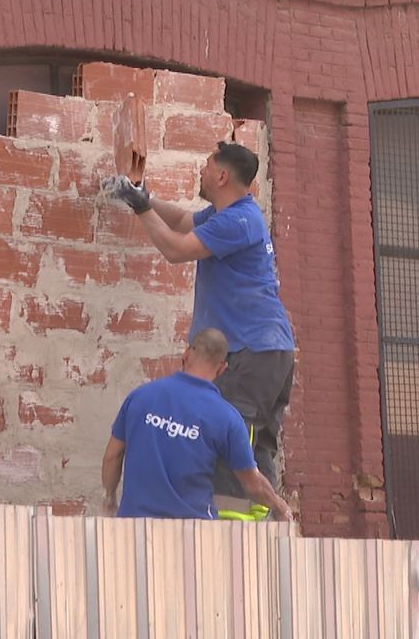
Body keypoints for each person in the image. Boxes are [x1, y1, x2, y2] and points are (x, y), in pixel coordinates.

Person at [106, 141, 295, 505]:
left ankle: (232, 529)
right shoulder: (229, 214)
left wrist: (140, 206)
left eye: (206, 165)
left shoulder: (237, 221)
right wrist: (141, 195)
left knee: (230, 448)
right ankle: (267, 524)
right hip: (265, 351)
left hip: (251, 352)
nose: (201, 171)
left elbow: (176, 249)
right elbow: (180, 221)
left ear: (222, 176)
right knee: (255, 449)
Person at [100, 328, 292, 520]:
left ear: (186, 354)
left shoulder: (140, 396)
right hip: (195, 529)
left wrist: (110, 498)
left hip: (135, 525)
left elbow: (112, 456)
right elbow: (253, 485)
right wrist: (280, 506)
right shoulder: (227, 418)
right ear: (222, 368)